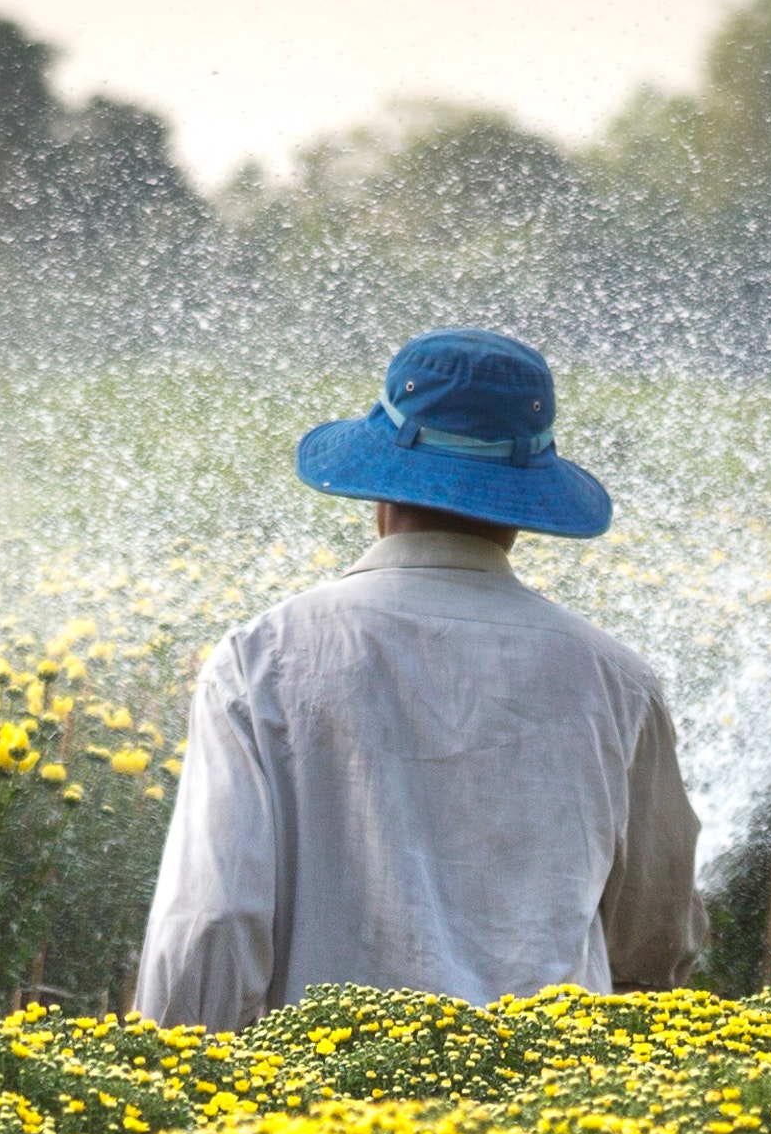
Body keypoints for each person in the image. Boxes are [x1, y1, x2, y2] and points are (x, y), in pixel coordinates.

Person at [127, 328, 705, 1029]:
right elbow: (656, 939)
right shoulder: (617, 683)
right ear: (524, 507)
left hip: (306, 1108)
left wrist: (186, 1092)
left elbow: (211, 923)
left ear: (379, 491)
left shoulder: (263, 660)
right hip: (548, 1114)